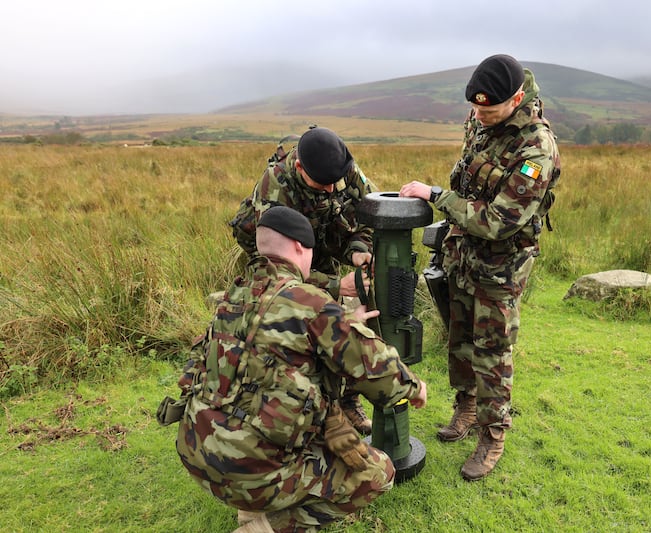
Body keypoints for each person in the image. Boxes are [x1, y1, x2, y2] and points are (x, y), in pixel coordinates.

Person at [174, 206, 427, 533]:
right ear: (299, 247)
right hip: (248, 471)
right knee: (376, 475)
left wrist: (342, 326)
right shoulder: (311, 301)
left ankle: (250, 501)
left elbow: (274, 352)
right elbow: (380, 375)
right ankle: (264, 525)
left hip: (197, 454)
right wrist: (415, 387)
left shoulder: (233, 296)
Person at [399, 54, 561, 481]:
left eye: (488, 111)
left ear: (518, 99)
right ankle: (466, 408)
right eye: (475, 109)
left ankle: (493, 435)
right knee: (460, 339)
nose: (479, 117)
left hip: (501, 266)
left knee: (492, 353)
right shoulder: (478, 120)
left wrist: (438, 196)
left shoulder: (535, 149)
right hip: (463, 255)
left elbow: (498, 220)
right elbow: (469, 180)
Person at [229, 125, 377, 435]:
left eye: (335, 184)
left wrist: (359, 250)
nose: (331, 191)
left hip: (320, 250)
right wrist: (336, 286)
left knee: (338, 327)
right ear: (299, 168)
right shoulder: (275, 190)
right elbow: (280, 267)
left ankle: (348, 403)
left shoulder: (342, 169)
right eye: (321, 185)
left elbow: (370, 214)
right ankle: (304, 407)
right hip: (281, 262)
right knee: (300, 332)